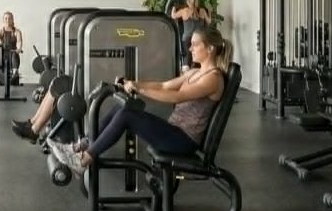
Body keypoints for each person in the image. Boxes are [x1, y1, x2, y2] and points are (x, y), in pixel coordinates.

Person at [50, 26, 233, 176]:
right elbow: (163, 86)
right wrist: (133, 83)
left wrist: (140, 90)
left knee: (127, 116)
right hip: (174, 131)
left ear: (210, 48)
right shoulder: (194, 72)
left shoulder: (213, 78)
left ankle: (83, 161)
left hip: (184, 141)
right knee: (121, 109)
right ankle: (79, 147)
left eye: (194, 45)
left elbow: (177, 96)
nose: (190, 49)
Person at [170, 0, 212, 71]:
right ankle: (189, 68)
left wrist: (174, 6)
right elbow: (173, 16)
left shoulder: (200, 11)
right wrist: (209, 11)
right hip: (189, 39)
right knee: (191, 53)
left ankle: (190, 68)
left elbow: (173, 15)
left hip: (197, 39)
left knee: (193, 54)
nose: (188, 0)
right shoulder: (185, 11)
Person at [0, 11, 23, 86]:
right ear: (3, 20)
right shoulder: (0, 31)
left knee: (14, 54)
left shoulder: (17, 32)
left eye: (9, 18)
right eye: (6, 18)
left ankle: (15, 71)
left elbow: (19, 42)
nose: (7, 20)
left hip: (13, 53)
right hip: (3, 53)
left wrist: (19, 49)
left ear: (12, 20)